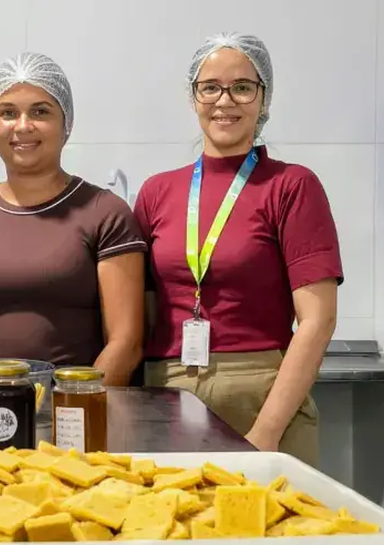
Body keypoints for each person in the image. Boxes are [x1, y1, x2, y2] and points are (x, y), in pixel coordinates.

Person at [134, 33, 342, 467]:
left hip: (261, 394)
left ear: (264, 99)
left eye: (242, 87)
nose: (224, 101)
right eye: (210, 87)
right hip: (166, 394)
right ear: (193, 97)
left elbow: (317, 320)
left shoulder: (291, 186)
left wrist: (266, 431)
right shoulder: (156, 192)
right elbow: (146, 317)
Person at [0, 52, 146, 386]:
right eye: (8, 113)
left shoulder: (106, 213)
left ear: (66, 123)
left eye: (40, 112)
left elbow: (125, 344)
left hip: (74, 406)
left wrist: (75, 405)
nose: (23, 126)